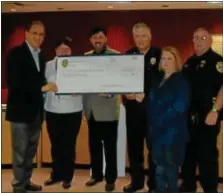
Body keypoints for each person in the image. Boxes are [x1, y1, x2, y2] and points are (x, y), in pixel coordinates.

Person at [5, 20, 57, 193]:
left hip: (35, 113)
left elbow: (38, 80)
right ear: (26, 34)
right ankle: (18, 186)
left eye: (41, 34)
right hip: (20, 113)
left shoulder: (41, 57)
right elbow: (16, 82)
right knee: (19, 153)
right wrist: (43, 87)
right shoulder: (15, 54)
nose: (38, 37)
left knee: (30, 152)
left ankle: (26, 181)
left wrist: (48, 85)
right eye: (35, 33)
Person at [137, 46, 190, 193]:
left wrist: (158, 121)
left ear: (176, 61)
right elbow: (152, 103)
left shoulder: (181, 81)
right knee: (159, 169)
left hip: (173, 133)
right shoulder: (157, 79)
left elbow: (179, 107)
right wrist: (143, 99)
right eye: (163, 58)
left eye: (169, 58)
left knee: (171, 171)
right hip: (156, 133)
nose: (166, 61)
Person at [180, 27, 223, 193]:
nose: (198, 41)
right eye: (195, 37)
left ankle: (210, 188)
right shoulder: (189, 62)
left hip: (208, 117)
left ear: (210, 41)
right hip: (188, 118)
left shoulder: (217, 61)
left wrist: (215, 110)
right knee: (188, 156)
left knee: (207, 157)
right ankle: (188, 185)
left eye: (203, 38)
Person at [122, 22, 161, 193]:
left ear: (150, 36)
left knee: (154, 150)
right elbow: (121, 80)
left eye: (143, 35)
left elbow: (165, 82)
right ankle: (136, 182)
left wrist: (148, 94)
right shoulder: (128, 55)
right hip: (133, 112)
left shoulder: (160, 55)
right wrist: (125, 93)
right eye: (136, 36)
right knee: (135, 149)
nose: (140, 39)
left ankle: (154, 184)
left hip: (154, 112)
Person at [83, 27, 120, 192]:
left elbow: (122, 81)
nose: (97, 39)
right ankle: (96, 175)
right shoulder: (85, 57)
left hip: (109, 110)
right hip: (91, 111)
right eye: (94, 37)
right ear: (91, 40)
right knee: (94, 146)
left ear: (106, 39)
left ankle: (110, 179)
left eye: (100, 36)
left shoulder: (116, 57)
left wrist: (111, 92)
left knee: (110, 147)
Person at [43, 37, 83, 189]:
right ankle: (56, 175)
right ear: (55, 50)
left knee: (69, 145)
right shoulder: (48, 66)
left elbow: (84, 85)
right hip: (53, 110)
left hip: (73, 110)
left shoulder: (78, 66)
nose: (64, 52)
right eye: (61, 49)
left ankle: (67, 177)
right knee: (55, 145)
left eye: (67, 49)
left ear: (71, 51)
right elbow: (42, 85)